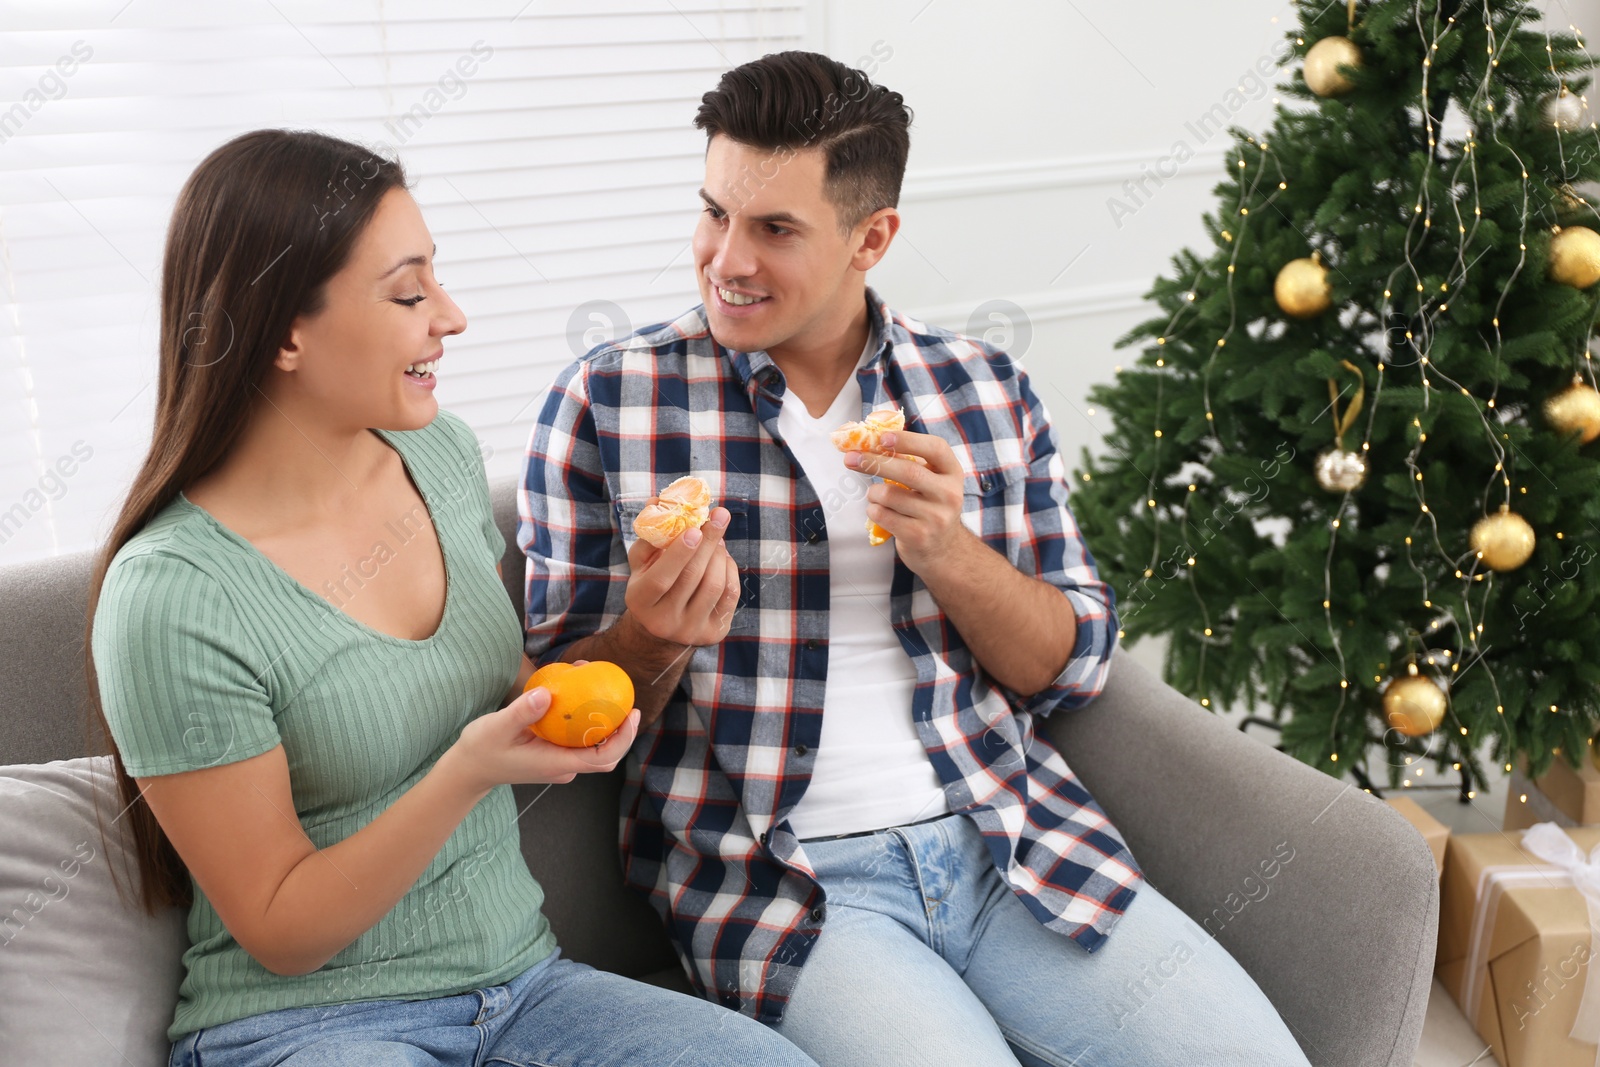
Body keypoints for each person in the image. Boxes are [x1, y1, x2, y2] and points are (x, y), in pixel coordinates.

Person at [519, 52, 1315, 1067]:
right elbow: (558, 707)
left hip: (1011, 844)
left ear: (873, 238)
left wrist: (949, 551)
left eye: (773, 229)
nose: (726, 257)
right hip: (785, 888)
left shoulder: (980, 388)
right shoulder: (609, 402)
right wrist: (650, 635)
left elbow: (1069, 668)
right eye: (714, 211)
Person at [87, 128, 818, 1067]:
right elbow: (280, 927)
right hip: (309, 1027)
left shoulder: (438, 457)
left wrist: (651, 635)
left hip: (525, 989)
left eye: (437, 279)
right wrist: (466, 772)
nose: (452, 316)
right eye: (408, 292)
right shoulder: (171, 596)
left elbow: (526, 705)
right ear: (282, 333)